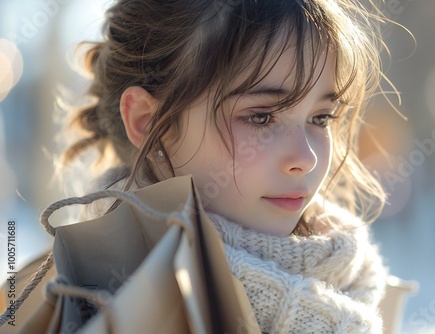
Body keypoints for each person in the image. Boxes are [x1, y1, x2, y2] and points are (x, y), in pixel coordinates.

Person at [58, 0, 393, 332]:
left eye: (320, 118)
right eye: (261, 117)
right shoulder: (104, 307)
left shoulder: (358, 281)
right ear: (148, 122)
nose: (307, 159)